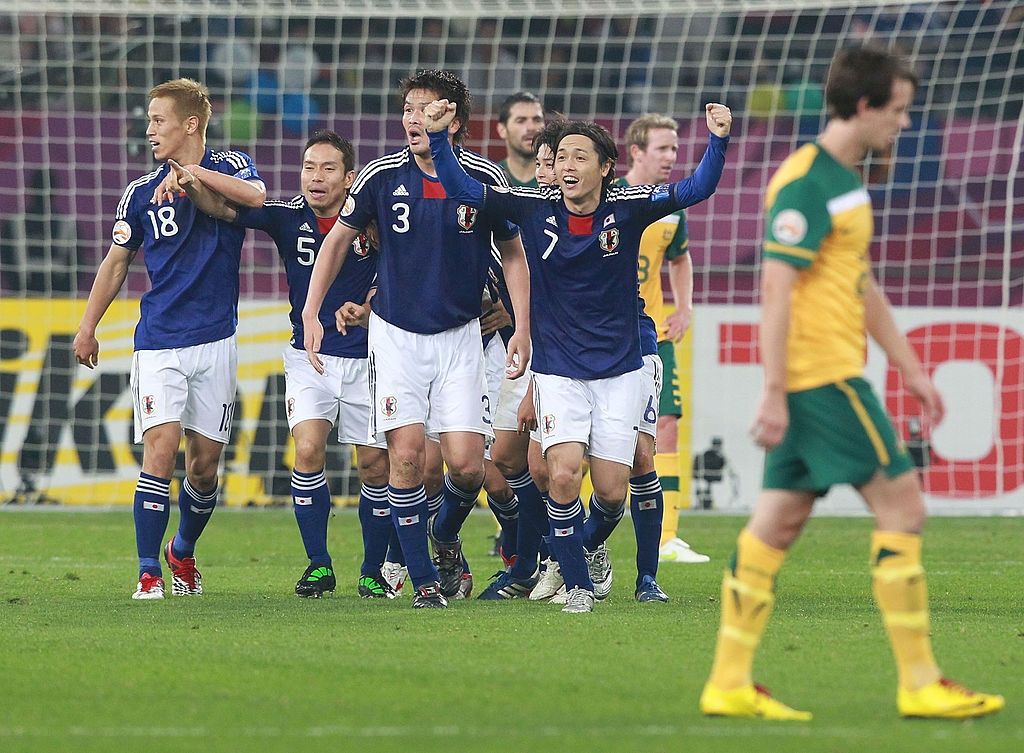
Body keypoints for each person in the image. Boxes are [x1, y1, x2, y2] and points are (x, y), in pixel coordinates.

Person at [699, 46, 1004, 721]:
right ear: (863, 106)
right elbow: (775, 287)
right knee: (905, 510)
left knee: (777, 524)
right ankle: (920, 680)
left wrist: (911, 368)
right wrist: (774, 388)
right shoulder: (808, 182)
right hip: (823, 380)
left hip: (819, 377)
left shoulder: (845, 180)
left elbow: (859, 283)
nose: (904, 122)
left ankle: (728, 680)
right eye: (898, 110)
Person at [424, 97, 731, 613]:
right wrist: (438, 139)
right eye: (561, 156)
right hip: (559, 370)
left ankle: (586, 554)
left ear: (606, 167)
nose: (566, 165)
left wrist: (717, 140)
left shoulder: (629, 207)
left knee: (611, 492)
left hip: (619, 370)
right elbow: (466, 189)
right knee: (562, 472)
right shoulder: (533, 205)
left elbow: (696, 188)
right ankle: (577, 585)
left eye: (579, 156)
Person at [302, 70, 531, 609]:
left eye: (426, 110)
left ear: (454, 119)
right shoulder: (381, 176)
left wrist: (522, 325)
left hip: (461, 339)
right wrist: (312, 310)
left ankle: (443, 535)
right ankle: (425, 581)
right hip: (396, 340)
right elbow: (337, 241)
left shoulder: (485, 178)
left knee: (468, 467)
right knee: (405, 460)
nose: (413, 119)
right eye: (408, 109)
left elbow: (514, 254)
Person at [181, 129, 396, 599]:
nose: (315, 177)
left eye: (328, 169)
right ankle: (319, 564)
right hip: (308, 358)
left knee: (375, 466)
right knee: (307, 450)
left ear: (350, 178)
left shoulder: (374, 220)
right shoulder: (287, 215)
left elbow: (401, 275)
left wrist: (370, 306)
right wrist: (191, 179)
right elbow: (223, 208)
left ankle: (372, 570)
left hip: (369, 360)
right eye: (308, 167)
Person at [73, 78, 266, 600]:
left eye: (159, 120)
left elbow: (254, 198)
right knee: (159, 449)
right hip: (159, 340)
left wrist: (191, 177)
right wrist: (88, 326)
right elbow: (116, 262)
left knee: (204, 467)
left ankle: (181, 551)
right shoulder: (140, 193)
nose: (150, 130)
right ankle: (148, 572)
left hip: (216, 339)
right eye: (149, 120)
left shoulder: (232, 165)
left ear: (191, 124)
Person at [620, 113, 710, 565]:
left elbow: (680, 258)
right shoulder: (607, 197)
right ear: (636, 151)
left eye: (675, 148)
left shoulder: (671, 207)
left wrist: (685, 306)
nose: (672, 156)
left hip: (654, 333)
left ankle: (666, 537)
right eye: (663, 148)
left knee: (667, 425)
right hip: (605, 333)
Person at [496, 91, 545, 187]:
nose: (531, 127)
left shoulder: (558, 179)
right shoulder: (492, 179)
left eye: (537, 120)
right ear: (502, 130)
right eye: (521, 121)